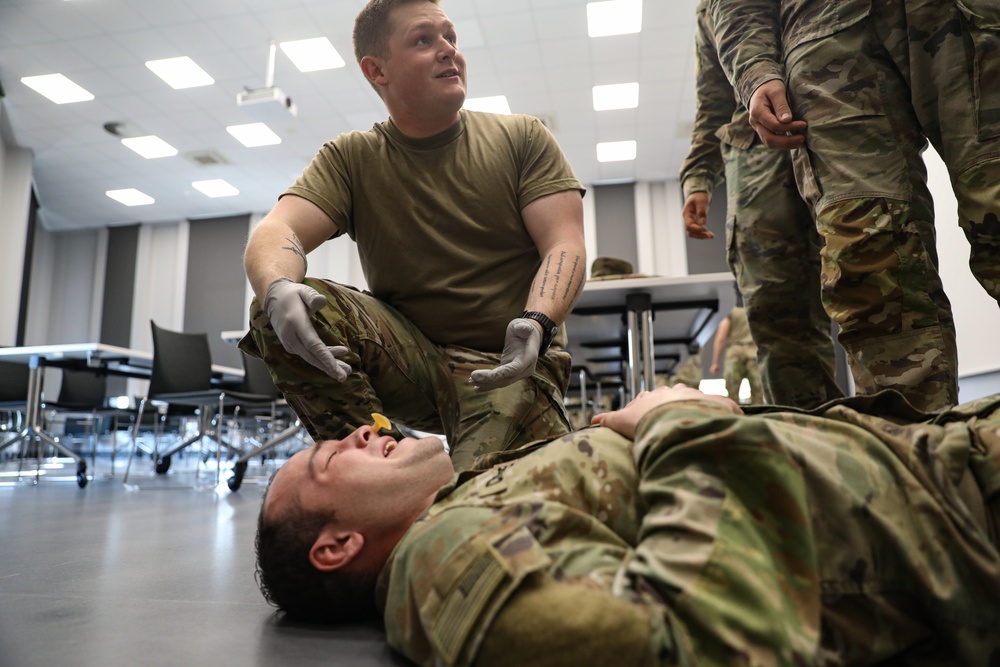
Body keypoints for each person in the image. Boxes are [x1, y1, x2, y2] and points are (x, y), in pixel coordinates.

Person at [254, 384, 1000, 665]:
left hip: (940, 465)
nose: (359, 431)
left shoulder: (459, 510)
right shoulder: (442, 557)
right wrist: (680, 421)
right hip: (958, 512)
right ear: (338, 545)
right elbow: (697, 640)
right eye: (329, 459)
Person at [240, 0, 587, 469]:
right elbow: (277, 229)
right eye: (424, 40)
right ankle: (383, 469)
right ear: (376, 70)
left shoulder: (522, 137)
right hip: (412, 364)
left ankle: (438, 484)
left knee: (479, 507)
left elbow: (564, 245)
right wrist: (278, 285)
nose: (448, 50)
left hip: (508, 363)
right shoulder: (352, 157)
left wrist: (540, 321)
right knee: (280, 305)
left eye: (451, 37)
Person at [706, 0, 1000, 412]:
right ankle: (912, 457)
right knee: (870, 265)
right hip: (826, 42)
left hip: (963, 14)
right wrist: (754, 69)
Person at [680, 0, 842, 409]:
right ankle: (807, 443)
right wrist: (699, 177)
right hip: (757, 164)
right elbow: (713, 99)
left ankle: (910, 445)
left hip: (843, 119)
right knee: (778, 312)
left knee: (880, 281)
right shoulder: (711, 9)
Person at [710, 304, 764, 404]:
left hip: (735, 353)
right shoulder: (754, 309)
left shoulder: (731, 312)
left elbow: (720, 339)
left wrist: (715, 362)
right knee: (758, 393)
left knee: (732, 393)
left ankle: (733, 416)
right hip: (753, 352)